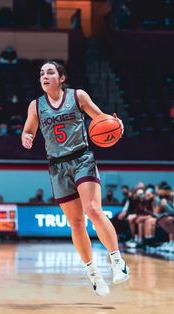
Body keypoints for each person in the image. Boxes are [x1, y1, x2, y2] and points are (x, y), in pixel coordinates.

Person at [21, 60, 130, 297]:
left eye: (50, 72)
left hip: (82, 158)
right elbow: (28, 129)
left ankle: (117, 261)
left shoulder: (77, 96)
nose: (45, 76)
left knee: (93, 210)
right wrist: (26, 137)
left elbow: (100, 118)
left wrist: (116, 124)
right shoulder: (36, 106)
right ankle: (93, 273)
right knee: (76, 223)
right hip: (57, 166)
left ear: (61, 78)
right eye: (41, 73)